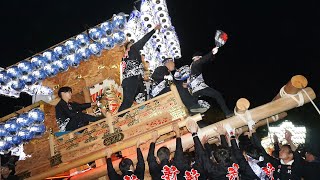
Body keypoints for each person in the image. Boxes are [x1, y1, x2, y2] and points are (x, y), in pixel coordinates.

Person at [118, 24, 161, 113]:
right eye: (133, 44)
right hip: (131, 79)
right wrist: (154, 30)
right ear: (129, 47)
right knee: (127, 102)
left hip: (130, 80)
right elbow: (143, 40)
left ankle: (122, 117)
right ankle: (118, 118)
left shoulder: (125, 57)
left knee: (131, 101)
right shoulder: (133, 49)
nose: (136, 45)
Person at [188, 47, 232, 117]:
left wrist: (212, 56)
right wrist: (212, 52)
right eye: (199, 58)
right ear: (196, 58)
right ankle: (227, 113)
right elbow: (203, 60)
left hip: (194, 91)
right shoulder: (196, 64)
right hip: (200, 87)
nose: (200, 59)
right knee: (218, 95)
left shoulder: (191, 68)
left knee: (195, 106)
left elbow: (206, 61)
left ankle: (193, 111)